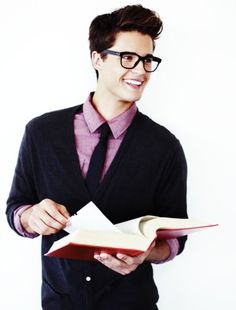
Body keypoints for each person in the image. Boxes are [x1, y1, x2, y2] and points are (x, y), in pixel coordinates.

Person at [6, 4, 188, 310]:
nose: (141, 71)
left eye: (147, 60)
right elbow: (16, 207)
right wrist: (30, 216)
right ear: (97, 58)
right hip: (58, 303)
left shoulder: (165, 147)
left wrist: (145, 253)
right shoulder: (41, 132)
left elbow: (175, 238)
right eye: (128, 58)